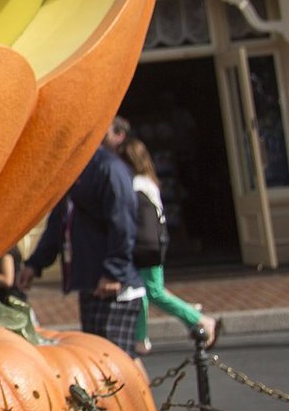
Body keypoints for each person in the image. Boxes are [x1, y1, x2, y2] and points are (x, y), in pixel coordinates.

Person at [21, 118, 142, 354]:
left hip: (113, 288)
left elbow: (123, 223)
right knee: (99, 361)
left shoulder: (108, 168)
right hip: (90, 284)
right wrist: (35, 264)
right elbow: (59, 223)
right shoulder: (74, 171)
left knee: (114, 363)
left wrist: (113, 271)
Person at [119, 136, 218, 354]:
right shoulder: (148, 181)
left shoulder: (135, 184)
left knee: (153, 292)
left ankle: (199, 319)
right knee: (145, 291)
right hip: (154, 244)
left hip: (145, 246)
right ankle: (141, 337)